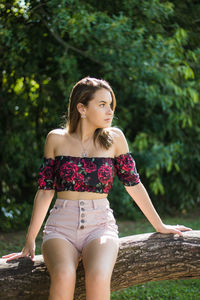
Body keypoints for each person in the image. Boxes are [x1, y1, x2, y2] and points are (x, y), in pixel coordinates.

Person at [2, 77, 192, 300]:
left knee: (99, 276)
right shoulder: (55, 139)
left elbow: (133, 184)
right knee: (63, 274)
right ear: (81, 108)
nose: (109, 111)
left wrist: (159, 225)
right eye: (102, 105)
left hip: (100, 226)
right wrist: (29, 240)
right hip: (60, 227)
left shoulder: (115, 138)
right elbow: (45, 191)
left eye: (111, 105)